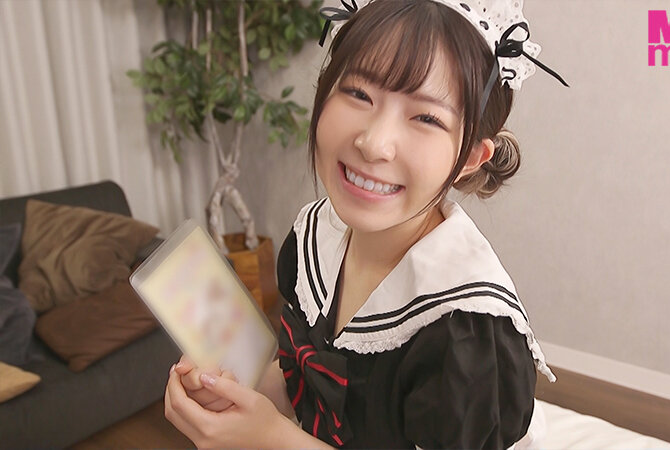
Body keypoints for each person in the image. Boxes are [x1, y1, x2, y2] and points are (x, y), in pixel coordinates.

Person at [164, 0, 568, 448]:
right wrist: (237, 394)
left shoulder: (467, 333)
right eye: (358, 94)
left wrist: (270, 439)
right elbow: (304, 382)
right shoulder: (313, 236)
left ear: (471, 157)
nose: (374, 143)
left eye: (426, 117)